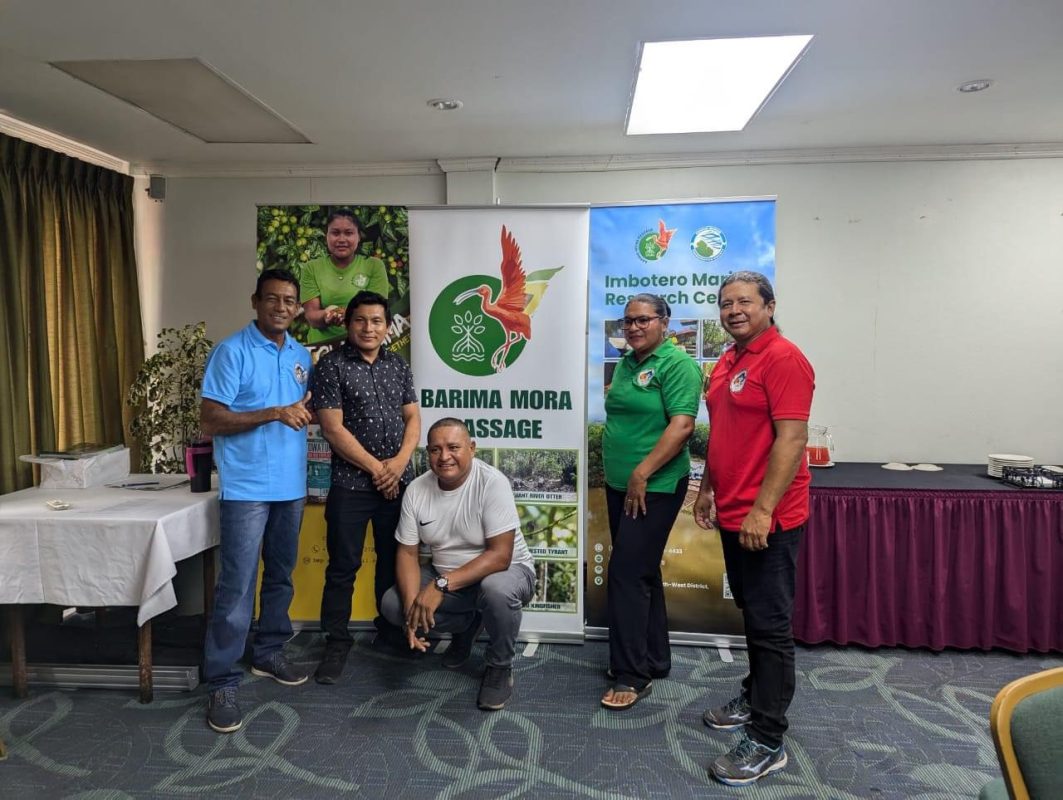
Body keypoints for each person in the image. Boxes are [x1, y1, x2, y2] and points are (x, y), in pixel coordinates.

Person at [693, 271, 815, 786]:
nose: (733, 310)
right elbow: (724, 433)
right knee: (751, 611)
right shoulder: (727, 360)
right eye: (725, 303)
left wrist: (763, 511)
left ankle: (767, 740)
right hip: (733, 511)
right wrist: (707, 488)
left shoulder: (784, 358)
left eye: (745, 301)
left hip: (769, 517)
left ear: (769, 306)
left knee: (769, 627)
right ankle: (755, 691)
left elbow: (792, 439)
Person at [199, 268, 313, 734]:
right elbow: (210, 419)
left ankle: (268, 653)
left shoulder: (302, 354)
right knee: (237, 587)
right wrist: (272, 413)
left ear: (297, 307)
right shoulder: (232, 351)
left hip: (291, 486)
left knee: (281, 577)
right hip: (246, 488)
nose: (281, 307)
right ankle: (222, 679)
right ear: (255, 301)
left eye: (289, 301)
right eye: (273, 299)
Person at [380, 418, 536, 711]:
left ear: (472, 448)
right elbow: (408, 554)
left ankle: (499, 667)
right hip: (448, 576)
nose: (444, 457)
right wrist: (411, 610)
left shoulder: (492, 483)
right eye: (436, 450)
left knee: (496, 591)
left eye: (453, 447)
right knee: (392, 604)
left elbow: (500, 555)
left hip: (506, 572)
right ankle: (467, 625)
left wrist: (441, 585)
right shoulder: (416, 490)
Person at [311, 290, 421, 683]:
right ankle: (336, 643)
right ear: (348, 323)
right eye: (361, 320)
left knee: (394, 564)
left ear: (387, 325)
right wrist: (379, 469)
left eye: (377, 321)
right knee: (343, 567)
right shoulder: (331, 367)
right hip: (351, 485)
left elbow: (413, 419)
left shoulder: (398, 365)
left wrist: (399, 464)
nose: (369, 328)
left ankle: (390, 633)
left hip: (399, 483)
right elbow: (332, 427)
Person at [600, 294, 703, 711]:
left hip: (654, 486)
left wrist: (642, 472)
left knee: (626, 573)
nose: (634, 327)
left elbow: (682, 426)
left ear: (664, 322)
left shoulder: (678, 365)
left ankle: (631, 674)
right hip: (619, 484)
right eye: (627, 321)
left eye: (643, 320)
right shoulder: (627, 363)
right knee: (641, 571)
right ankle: (654, 658)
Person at [300, 209, 390, 344]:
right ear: (327, 236)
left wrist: (346, 314)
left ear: (359, 236)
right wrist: (327, 315)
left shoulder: (374, 266)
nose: (342, 239)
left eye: (348, 233)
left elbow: (376, 311)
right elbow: (311, 315)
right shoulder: (311, 268)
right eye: (335, 233)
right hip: (323, 349)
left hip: (362, 347)